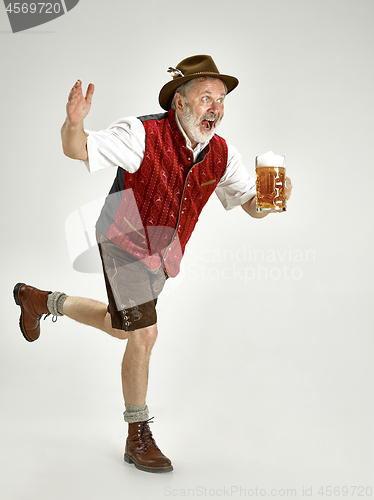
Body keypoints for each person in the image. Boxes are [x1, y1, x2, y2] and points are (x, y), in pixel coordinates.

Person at [13, 55, 292, 474]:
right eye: (205, 98)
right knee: (145, 335)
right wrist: (73, 123)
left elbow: (252, 206)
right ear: (178, 103)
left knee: (119, 325)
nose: (214, 107)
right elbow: (77, 148)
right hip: (123, 234)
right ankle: (137, 434)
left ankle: (42, 301)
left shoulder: (222, 154)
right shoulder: (141, 133)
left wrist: (276, 199)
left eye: (220, 99)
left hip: (165, 252)